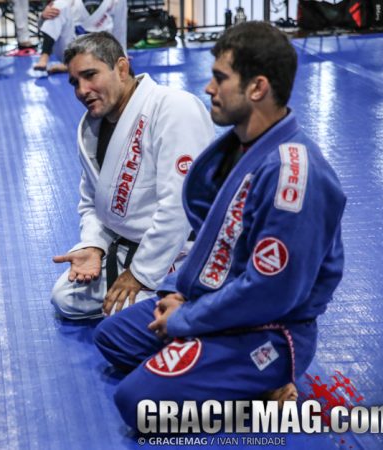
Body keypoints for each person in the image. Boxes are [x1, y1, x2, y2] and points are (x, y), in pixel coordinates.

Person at [93, 21, 347, 430]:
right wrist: (179, 294)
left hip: (268, 329)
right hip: (215, 303)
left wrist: (186, 319)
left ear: (257, 88)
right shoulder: (240, 148)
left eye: (220, 78)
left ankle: (269, 381)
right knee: (112, 336)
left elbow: (271, 293)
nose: (209, 88)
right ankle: (216, 362)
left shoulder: (293, 177)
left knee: (137, 402)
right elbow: (215, 243)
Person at [51, 32, 214, 320]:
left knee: (120, 317)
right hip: (127, 247)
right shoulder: (92, 128)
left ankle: (193, 297)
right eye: (75, 82)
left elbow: (178, 207)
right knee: (65, 298)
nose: (82, 90)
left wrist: (139, 274)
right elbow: (92, 203)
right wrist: (94, 245)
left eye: (90, 75)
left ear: (122, 68)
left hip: (179, 250)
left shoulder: (173, 108)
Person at [33, 0, 126, 73]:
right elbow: (45, 26)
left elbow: (120, 27)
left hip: (99, 48)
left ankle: (72, 66)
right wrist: (43, 17)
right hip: (71, 47)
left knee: (106, 52)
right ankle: (44, 56)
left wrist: (121, 54)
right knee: (59, 5)